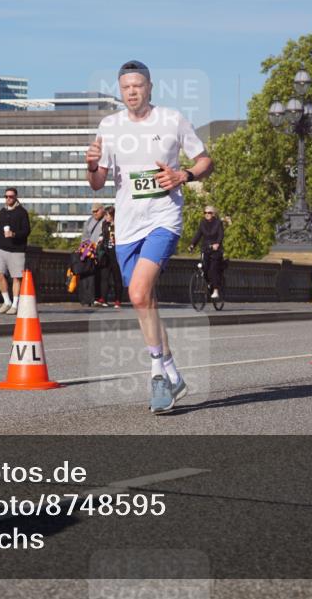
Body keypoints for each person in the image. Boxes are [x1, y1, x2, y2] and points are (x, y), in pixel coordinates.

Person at [85, 60, 213, 413]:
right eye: (126, 87)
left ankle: (158, 377)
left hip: (163, 219)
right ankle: (174, 373)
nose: (132, 92)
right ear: (120, 90)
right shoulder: (109, 126)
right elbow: (97, 182)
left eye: (138, 85)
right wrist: (91, 165)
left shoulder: (172, 119)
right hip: (127, 225)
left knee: (139, 292)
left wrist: (183, 175)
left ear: (150, 87)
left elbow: (205, 160)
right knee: (145, 302)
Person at [0, 187, 30, 314]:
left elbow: (26, 231)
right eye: (6, 196)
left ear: (16, 197)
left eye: (11, 196)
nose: (8, 198)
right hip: (1, 249)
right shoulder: (2, 211)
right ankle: (6, 301)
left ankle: (15, 304)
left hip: (17, 250)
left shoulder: (22, 212)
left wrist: (13, 234)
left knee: (16, 278)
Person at [189, 205, 225, 299]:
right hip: (205, 248)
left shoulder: (218, 223)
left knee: (213, 269)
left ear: (213, 214)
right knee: (204, 268)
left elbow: (221, 234)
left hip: (215, 250)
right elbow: (198, 234)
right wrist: (192, 245)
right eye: (205, 213)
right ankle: (209, 283)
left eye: (209, 213)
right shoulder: (202, 223)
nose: (207, 214)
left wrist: (217, 243)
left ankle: (216, 290)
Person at [96, 205, 123, 309]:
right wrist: (100, 239)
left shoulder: (119, 224)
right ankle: (103, 298)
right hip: (106, 252)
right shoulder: (104, 224)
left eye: (107, 215)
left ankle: (118, 300)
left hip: (116, 253)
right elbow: (102, 234)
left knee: (117, 277)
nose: (106, 217)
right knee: (104, 276)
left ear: (113, 215)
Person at [82, 202, 106, 306]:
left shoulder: (107, 220)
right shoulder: (89, 221)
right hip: (91, 251)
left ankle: (102, 297)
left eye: (97, 211)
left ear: (102, 210)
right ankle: (93, 297)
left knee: (104, 276)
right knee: (93, 275)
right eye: (93, 212)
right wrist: (85, 249)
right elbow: (85, 237)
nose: (94, 213)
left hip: (103, 251)